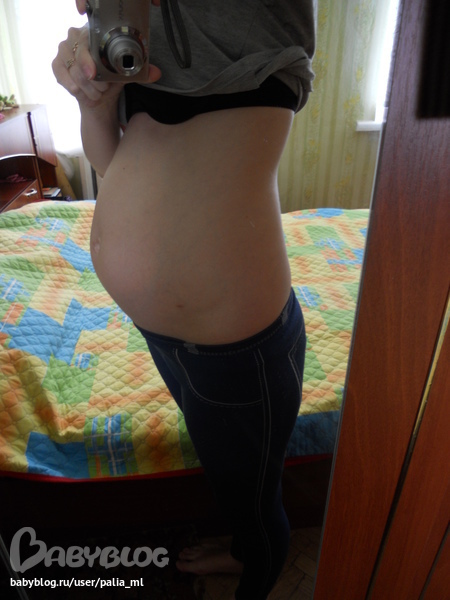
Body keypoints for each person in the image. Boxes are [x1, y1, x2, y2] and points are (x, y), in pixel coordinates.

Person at [53, 1, 316, 598]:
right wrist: (94, 105)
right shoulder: (134, 29)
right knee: (232, 482)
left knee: (255, 503)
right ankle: (243, 550)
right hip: (169, 338)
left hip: (237, 349)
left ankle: (253, 565)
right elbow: (113, 164)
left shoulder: (249, 20)